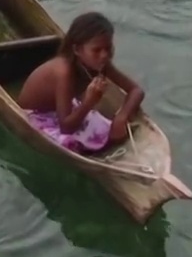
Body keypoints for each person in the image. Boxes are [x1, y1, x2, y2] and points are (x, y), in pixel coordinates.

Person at [16, 11, 145, 155]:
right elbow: (66, 128)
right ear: (77, 50)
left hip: (65, 112)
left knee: (109, 127)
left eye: (108, 48)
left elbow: (136, 90)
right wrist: (89, 102)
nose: (104, 55)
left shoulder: (101, 64)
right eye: (96, 50)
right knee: (68, 143)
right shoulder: (64, 72)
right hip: (37, 116)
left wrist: (121, 116)